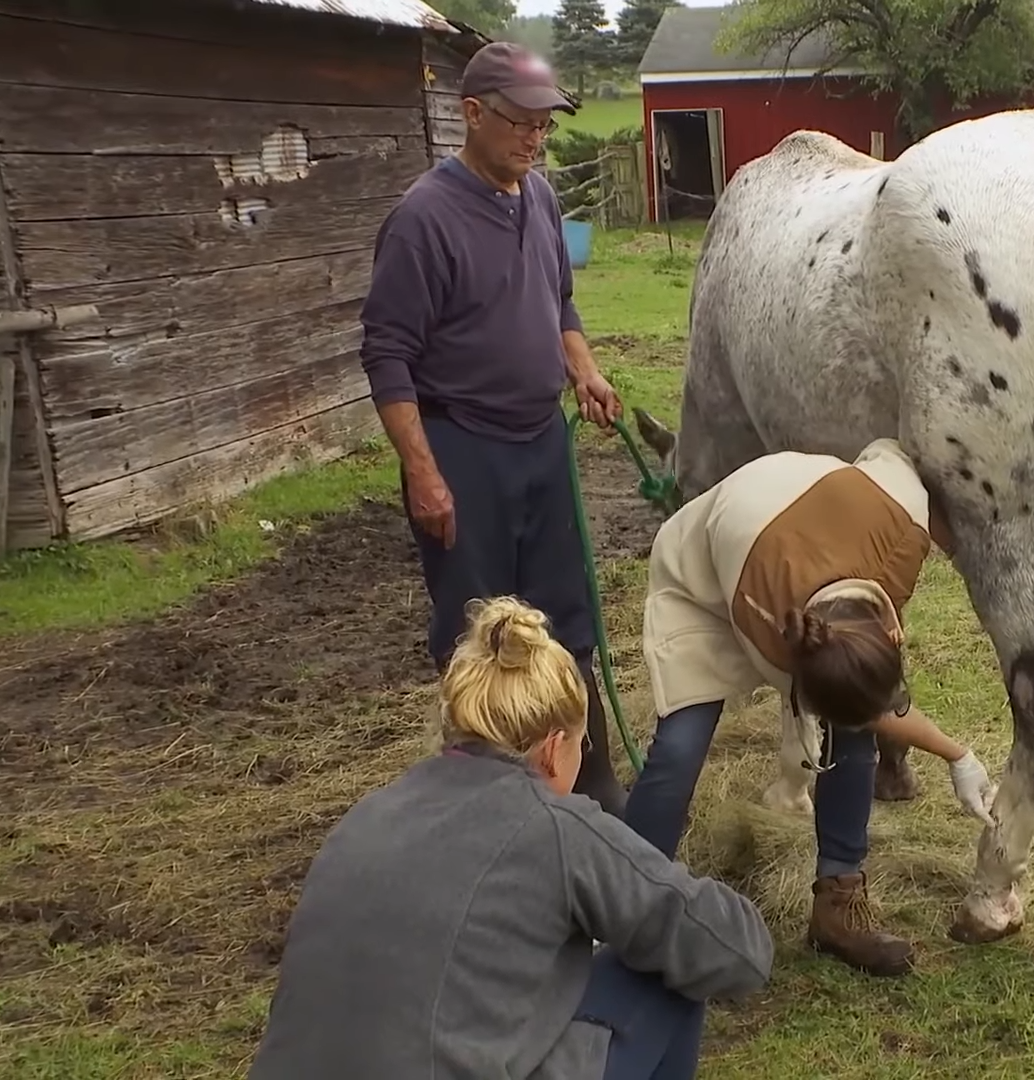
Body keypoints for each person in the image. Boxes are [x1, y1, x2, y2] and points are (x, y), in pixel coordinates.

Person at [248, 596, 774, 1080]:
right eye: (581, 743)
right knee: (668, 974)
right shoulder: (555, 826)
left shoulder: (368, 814)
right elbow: (734, 952)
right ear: (552, 749)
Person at [357, 41, 628, 815]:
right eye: (521, 123)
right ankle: (480, 805)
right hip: (464, 449)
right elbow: (387, 354)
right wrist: (423, 471)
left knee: (566, 619)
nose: (535, 139)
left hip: (542, 442)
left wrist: (583, 367)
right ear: (470, 114)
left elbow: (560, 303)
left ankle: (591, 779)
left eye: (545, 126)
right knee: (478, 637)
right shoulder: (422, 220)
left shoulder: (538, 200)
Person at [621, 438, 994, 978]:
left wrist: (958, 756)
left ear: (888, 628)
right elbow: (855, 707)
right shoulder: (771, 628)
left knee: (854, 724)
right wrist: (952, 752)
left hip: (788, 520)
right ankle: (623, 903)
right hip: (707, 572)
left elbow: (889, 451)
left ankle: (837, 909)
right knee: (680, 748)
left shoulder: (903, 533)